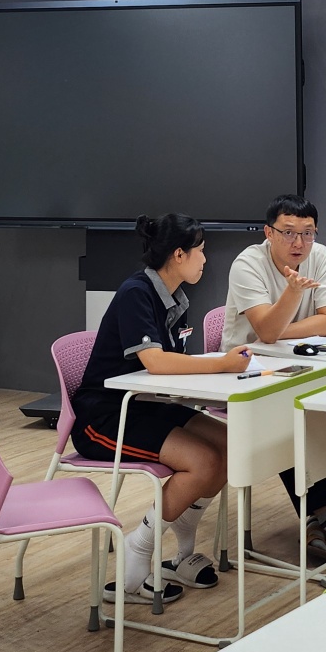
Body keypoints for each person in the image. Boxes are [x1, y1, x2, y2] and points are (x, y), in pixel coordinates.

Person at [72, 213, 251, 603]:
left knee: (232, 445)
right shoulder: (136, 292)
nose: (205, 259)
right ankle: (138, 553)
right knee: (203, 461)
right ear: (179, 254)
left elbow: (172, 367)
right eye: (201, 251)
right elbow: (156, 362)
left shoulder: (175, 297)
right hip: (105, 418)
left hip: (147, 405)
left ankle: (182, 550)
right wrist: (221, 365)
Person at [223, 194, 326, 566]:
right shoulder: (247, 264)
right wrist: (289, 303)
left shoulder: (322, 256)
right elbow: (266, 333)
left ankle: (320, 518)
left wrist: (277, 331)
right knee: (291, 418)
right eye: (288, 232)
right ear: (268, 232)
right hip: (245, 373)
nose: (299, 243)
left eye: (308, 233)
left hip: (298, 362)